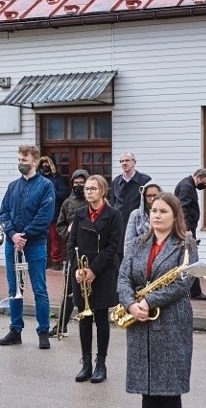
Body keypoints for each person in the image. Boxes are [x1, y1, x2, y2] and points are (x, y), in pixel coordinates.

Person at [118, 192, 198, 408]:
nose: (156, 215)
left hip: (172, 323)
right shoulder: (139, 244)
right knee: (147, 392)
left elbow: (183, 284)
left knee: (169, 392)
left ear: (175, 216)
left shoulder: (185, 245)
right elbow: (124, 278)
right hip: (140, 324)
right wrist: (130, 304)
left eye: (163, 211)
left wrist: (148, 301)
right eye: (153, 211)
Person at [0, 144, 55, 349]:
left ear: (35, 161)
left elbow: (45, 216)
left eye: (24, 159)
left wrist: (26, 235)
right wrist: (13, 235)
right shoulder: (13, 186)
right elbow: (3, 213)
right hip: (13, 245)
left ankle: (43, 331)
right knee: (14, 289)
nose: (20, 163)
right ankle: (15, 330)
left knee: (40, 289)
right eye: (19, 159)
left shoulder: (46, 185)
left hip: (35, 245)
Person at [68, 174, 123, 383]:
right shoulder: (80, 214)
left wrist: (93, 270)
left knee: (100, 319)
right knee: (84, 318)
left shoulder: (114, 214)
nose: (88, 191)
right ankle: (86, 363)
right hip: (81, 273)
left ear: (102, 191)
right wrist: (76, 268)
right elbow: (71, 243)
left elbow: (113, 247)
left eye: (92, 188)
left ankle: (101, 364)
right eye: (87, 189)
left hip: (102, 272)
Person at [51, 169, 90, 338]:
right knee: (69, 290)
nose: (79, 186)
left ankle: (87, 324)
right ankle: (61, 325)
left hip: (91, 250)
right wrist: (69, 232)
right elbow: (59, 225)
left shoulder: (93, 201)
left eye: (82, 184)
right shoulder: (67, 203)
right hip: (72, 251)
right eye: (76, 184)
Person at [174, 168, 206, 300]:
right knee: (192, 258)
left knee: (190, 258)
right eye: (205, 182)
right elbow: (183, 208)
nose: (205, 185)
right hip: (187, 231)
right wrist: (188, 229)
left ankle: (194, 290)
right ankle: (194, 291)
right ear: (200, 177)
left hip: (188, 229)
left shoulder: (188, 185)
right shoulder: (187, 187)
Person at [38, 156, 70, 270]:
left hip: (54, 213)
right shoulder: (37, 177)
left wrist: (50, 193)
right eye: (43, 163)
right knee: (41, 239)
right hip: (40, 214)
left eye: (48, 163)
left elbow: (64, 193)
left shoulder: (58, 178)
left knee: (55, 239)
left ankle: (56, 261)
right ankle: (44, 260)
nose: (45, 165)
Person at [110, 152, 151, 228]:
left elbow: (149, 203)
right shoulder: (115, 182)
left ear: (134, 162)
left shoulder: (145, 180)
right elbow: (112, 204)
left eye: (127, 160)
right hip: (119, 224)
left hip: (138, 224)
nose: (124, 163)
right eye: (122, 161)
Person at [124, 183, 162, 255]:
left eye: (155, 195)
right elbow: (129, 242)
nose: (152, 199)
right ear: (144, 197)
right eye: (149, 196)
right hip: (139, 256)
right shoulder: (136, 215)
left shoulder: (166, 214)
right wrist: (127, 260)